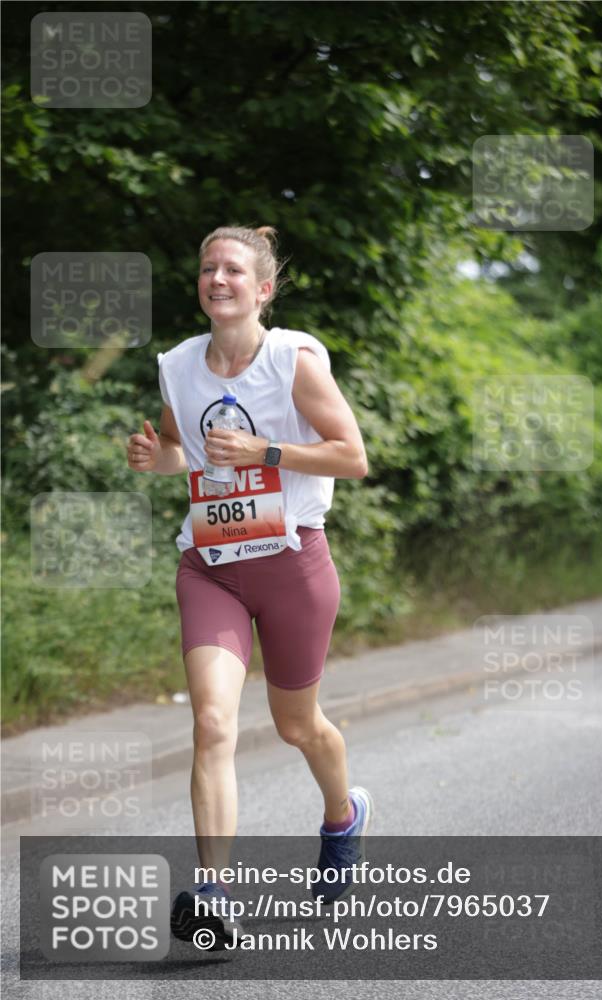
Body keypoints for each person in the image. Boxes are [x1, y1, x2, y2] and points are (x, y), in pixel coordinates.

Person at [127, 225, 373, 946]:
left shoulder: (291, 360)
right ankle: (213, 892)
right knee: (211, 724)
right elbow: (184, 451)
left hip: (293, 563)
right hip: (211, 567)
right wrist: (156, 456)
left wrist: (268, 449)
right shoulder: (177, 364)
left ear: (262, 289)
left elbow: (352, 456)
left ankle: (342, 815)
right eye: (208, 269)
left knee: (299, 726)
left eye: (233, 269)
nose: (218, 279)